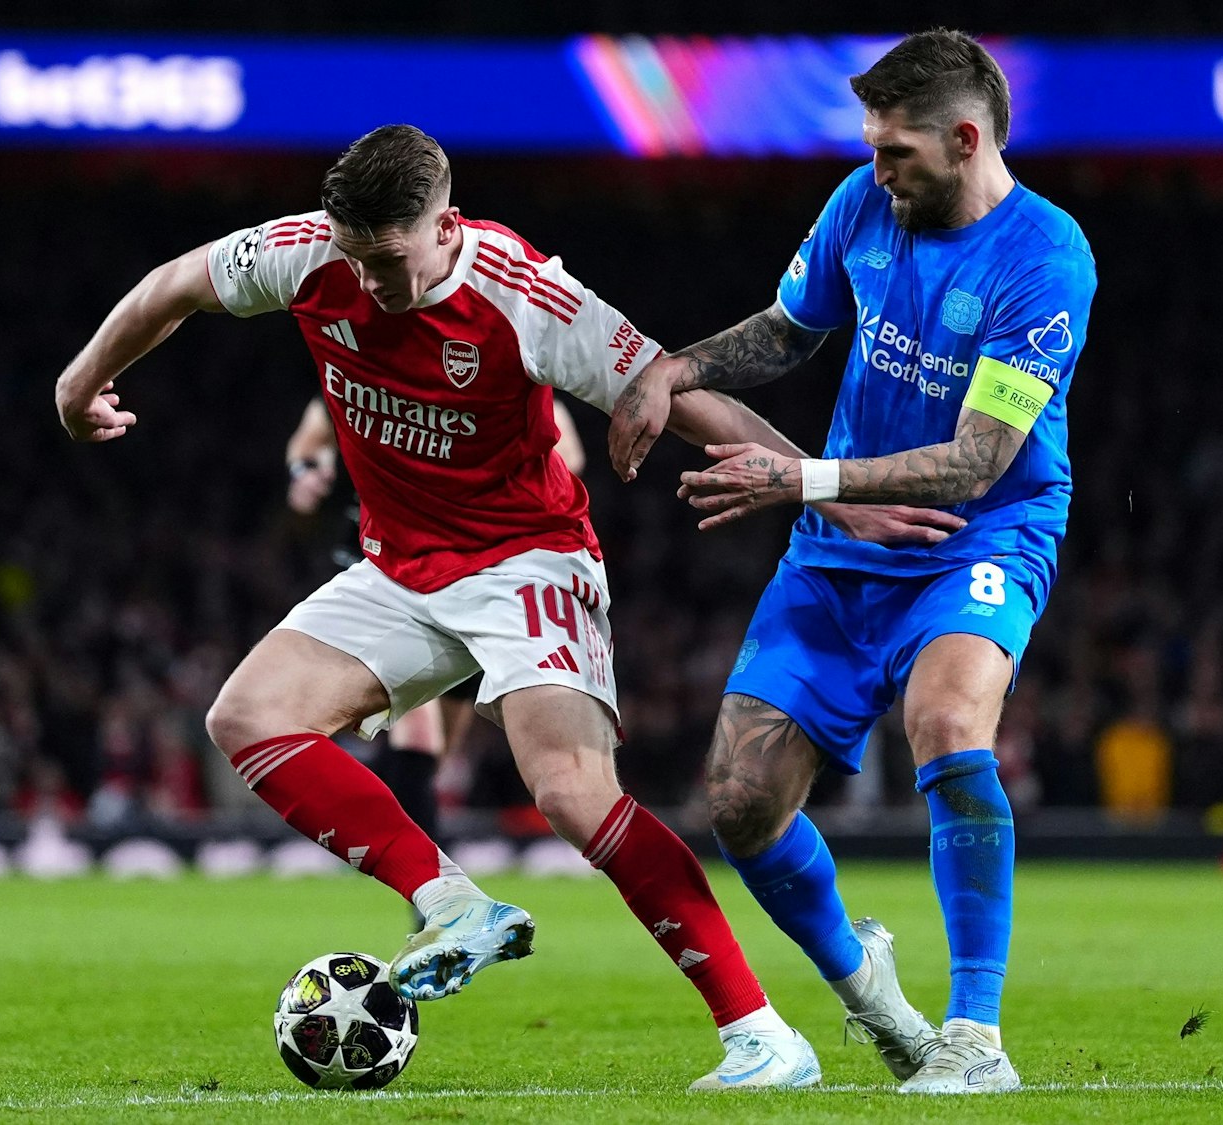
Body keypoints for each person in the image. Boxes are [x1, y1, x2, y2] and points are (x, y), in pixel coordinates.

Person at [54, 124, 962, 1089]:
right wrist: (81, 381)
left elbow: (674, 389)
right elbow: (176, 283)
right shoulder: (308, 250)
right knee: (247, 716)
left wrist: (832, 488)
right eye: (356, 258)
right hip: (399, 564)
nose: (369, 283)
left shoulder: (526, 295)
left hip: (524, 560)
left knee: (572, 793)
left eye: (390, 261)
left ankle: (761, 1036)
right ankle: (452, 901)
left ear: (445, 225)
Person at [607, 29, 1098, 1095]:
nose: (876, 173)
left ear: (965, 140)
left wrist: (803, 481)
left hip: (981, 532)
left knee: (947, 723)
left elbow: (977, 461)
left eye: (896, 155)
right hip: (840, 542)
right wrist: (674, 367)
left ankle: (976, 1038)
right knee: (738, 799)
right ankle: (874, 999)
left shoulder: (1045, 257)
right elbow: (788, 332)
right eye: (870, 150)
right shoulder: (861, 206)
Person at [285, 395, 588, 845]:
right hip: (389, 579)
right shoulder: (361, 386)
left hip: (476, 586)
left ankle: (383, 828)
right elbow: (309, 440)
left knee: (434, 756)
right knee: (418, 737)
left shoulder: (508, 397)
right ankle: (432, 889)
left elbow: (569, 457)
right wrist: (306, 473)